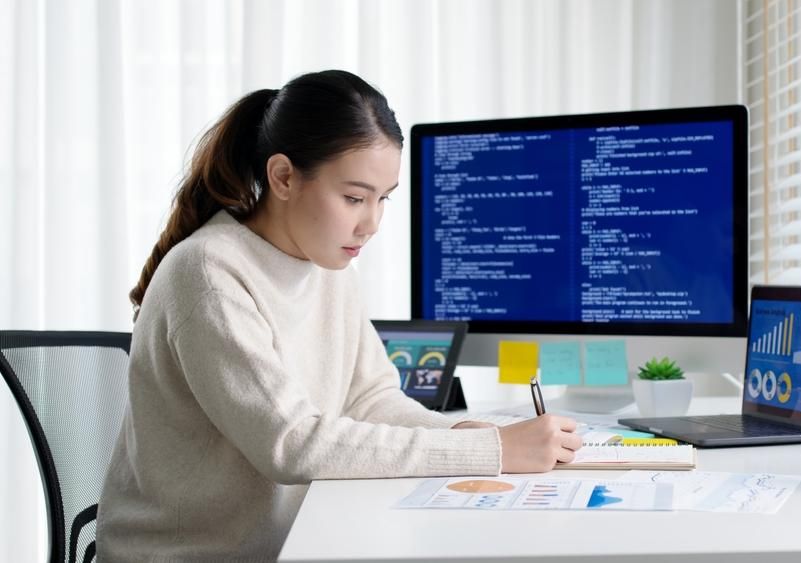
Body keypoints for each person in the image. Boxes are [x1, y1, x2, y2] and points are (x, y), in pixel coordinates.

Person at [97, 70, 582, 561]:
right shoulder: (207, 272)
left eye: (383, 198)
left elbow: (370, 400)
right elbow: (291, 444)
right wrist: (492, 453)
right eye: (354, 198)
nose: (371, 223)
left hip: (294, 544)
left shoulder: (326, 260)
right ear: (283, 177)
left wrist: (470, 435)